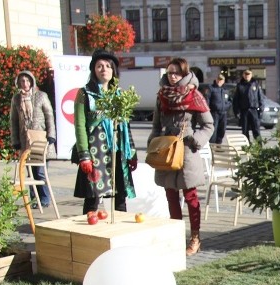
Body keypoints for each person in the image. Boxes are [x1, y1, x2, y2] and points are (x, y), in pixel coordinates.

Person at [149, 57, 214, 256]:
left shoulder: (194, 95)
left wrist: (194, 140)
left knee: (190, 196)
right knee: (170, 195)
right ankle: (176, 236)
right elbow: (155, 125)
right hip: (167, 150)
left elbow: (208, 125)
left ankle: (195, 237)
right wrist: (153, 145)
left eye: (177, 72)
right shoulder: (162, 96)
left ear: (185, 74)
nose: (173, 76)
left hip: (186, 151)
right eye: (170, 72)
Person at [72, 50, 138, 215]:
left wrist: (132, 152)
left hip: (118, 151)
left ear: (113, 70)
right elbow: (80, 126)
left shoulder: (120, 95)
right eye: (99, 66)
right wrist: (84, 155)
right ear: (93, 70)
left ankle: (120, 232)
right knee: (93, 196)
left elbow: (126, 125)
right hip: (96, 152)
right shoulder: (84, 94)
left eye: (108, 66)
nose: (104, 69)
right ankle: (88, 233)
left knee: (120, 194)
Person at [9, 70, 55, 208]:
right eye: (22, 81)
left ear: (32, 81)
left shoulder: (41, 96)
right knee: (30, 172)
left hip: (40, 139)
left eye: (27, 80)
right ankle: (34, 200)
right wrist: (15, 140)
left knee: (40, 171)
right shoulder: (16, 99)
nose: (25, 83)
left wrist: (51, 135)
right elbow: (14, 121)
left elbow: (49, 116)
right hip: (25, 141)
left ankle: (45, 199)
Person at [232, 68, 262, 141]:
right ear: (243, 75)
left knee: (256, 130)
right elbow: (236, 100)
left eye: (248, 74)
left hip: (254, 110)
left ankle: (259, 148)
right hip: (244, 111)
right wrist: (237, 112)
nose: (247, 76)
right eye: (245, 74)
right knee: (245, 131)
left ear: (251, 75)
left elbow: (260, 98)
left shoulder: (256, 84)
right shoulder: (240, 85)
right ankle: (247, 147)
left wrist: (261, 110)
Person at [201, 73, 228, 144]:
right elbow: (206, 100)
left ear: (223, 81)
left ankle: (218, 145)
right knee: (213, 130)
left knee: (222, 130)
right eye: (218, 79)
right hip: (214, 113)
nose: (219, 81)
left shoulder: (225, 89)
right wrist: (207, 111)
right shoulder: (211, 88)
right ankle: (212, 146)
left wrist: (226, 106)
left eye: (221, 80)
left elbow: (229, 100)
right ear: (216, 80)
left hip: (223, 113)